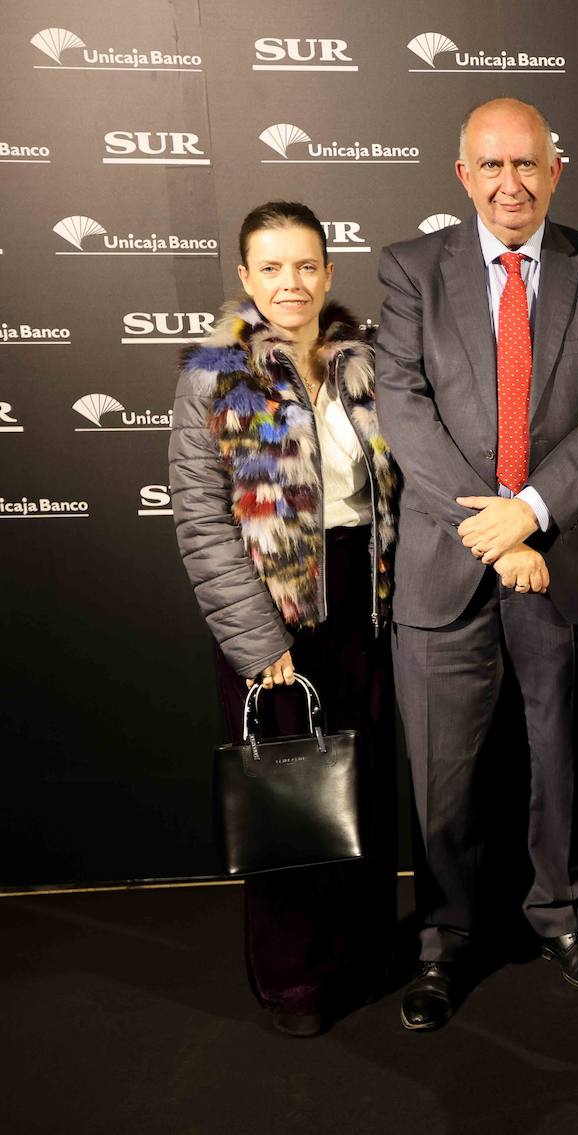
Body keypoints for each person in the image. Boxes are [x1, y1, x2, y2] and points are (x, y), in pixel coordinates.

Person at [374, 97, 578, 1030]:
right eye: (490, 166)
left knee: (558, 757)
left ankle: (561, 916)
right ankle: (444, 937)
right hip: (446, 567)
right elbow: (404, 409)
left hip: (558, 557)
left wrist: (529, 515)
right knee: (441, 771)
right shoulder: (412, 269)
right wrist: (490, 529)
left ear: (555, 169)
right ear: (463, 177)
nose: (510, 183)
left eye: (526, 164)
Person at [169, 201, 401, 1037]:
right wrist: (256, 637)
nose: (290, 284)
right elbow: (199, 517)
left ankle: (368, 951)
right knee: (291, 798)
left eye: (306, 265)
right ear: (245, 277)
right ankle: (295, 978)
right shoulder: (214, 373)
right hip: (270, 604)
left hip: (363, 595)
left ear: (329, 272)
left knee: (364, 784)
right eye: (271, 268)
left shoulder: (366, 362)